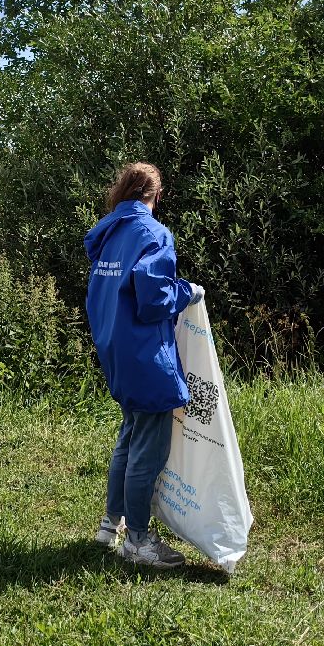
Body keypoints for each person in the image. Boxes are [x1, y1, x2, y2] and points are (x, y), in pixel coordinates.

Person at [84, 162, 203, 568]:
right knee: (147, 451)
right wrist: (186, 291)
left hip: (115, 348)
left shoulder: (108, 233)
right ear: (158, 195)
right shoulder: (153, 233)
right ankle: (138, 540)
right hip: (145, 352)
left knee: (130, 435)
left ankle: (109, 523)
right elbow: (153, 300)